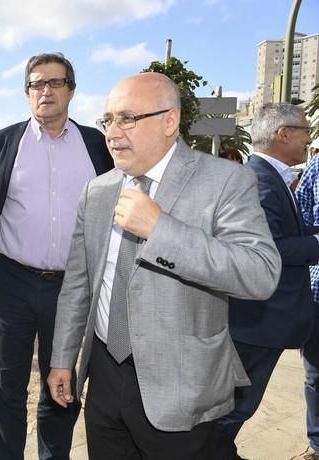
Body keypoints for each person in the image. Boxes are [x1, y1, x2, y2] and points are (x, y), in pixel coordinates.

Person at [47, 72, 281, 460]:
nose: (112, 132)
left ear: (169, 121)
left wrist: (161, 230)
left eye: (127, 118)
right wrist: (61, 359)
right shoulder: (99, 189)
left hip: (181, 389)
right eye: (108, 120)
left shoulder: (225, 181)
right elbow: (79, 284)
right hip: (103, 378)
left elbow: (260, 273)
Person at [0, 52, 113, 460]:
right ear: (27, 92)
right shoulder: (0, 143)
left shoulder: (96, 146)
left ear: (71, 89)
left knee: (62, 386)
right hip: (10, 282)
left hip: (73, 287)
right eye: (36, 84)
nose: (45, 91)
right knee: (5, 387)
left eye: (55, 82)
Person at [213, 103, 318, 460]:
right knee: (236, 406)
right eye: (304, 131)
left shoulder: (271, 176)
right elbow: (270, 247)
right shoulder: (258, 179)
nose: (309, 139)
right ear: (283, 134)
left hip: (263, 320)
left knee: (237, 406)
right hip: (259, 321)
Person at [288, 122, 319, 460]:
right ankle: (318, 446)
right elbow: (299, 219)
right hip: (318, 292)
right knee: (316, 376)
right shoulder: (316, 169)